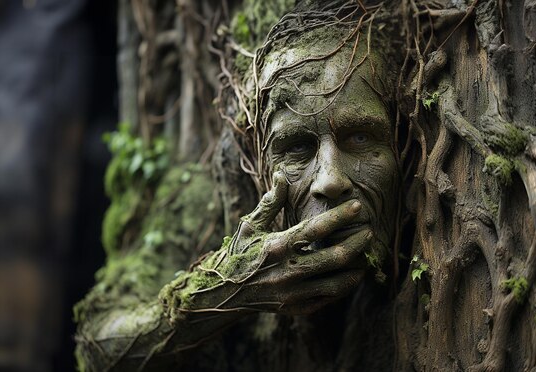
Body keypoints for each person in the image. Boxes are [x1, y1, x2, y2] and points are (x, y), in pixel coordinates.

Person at [76, 2, 402, 370]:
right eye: (296, 147)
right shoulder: (211, 205)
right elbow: (98, 348)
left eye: (360, 138)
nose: (329, 180)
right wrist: (227, 289)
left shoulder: (434, 214)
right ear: (258, 155)